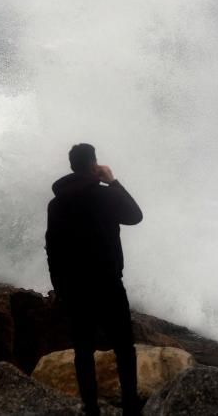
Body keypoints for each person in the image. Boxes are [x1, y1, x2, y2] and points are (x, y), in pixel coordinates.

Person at [46, 143, 144, 416]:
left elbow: (52, 248)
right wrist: (112, 181)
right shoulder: (106, 196)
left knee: (83, 351)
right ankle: (131, 407)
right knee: (124, 347)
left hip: (75, 287)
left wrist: (59, 287)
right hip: (108, 282)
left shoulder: (56, 203)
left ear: (71, 166)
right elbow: (135, 216)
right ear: (93, 165)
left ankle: (90, 408)